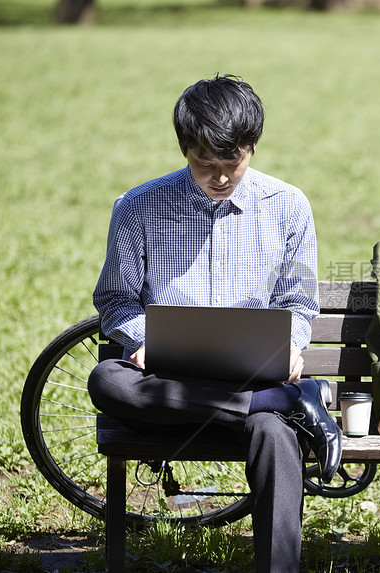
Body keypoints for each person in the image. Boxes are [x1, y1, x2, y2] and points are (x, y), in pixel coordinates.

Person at [87, 74, 342, 573]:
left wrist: (290, 345)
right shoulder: (138, 207)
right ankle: (287, 402)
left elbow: (297, 299)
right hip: (168, 382)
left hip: (248, 376)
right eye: (206, 164)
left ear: (251, 146)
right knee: (107, 379)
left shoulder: (288, 206)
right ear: (185, 148)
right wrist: (142, 341)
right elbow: (115, 301)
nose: (221, 177)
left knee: (273, 434)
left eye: (233, 163)